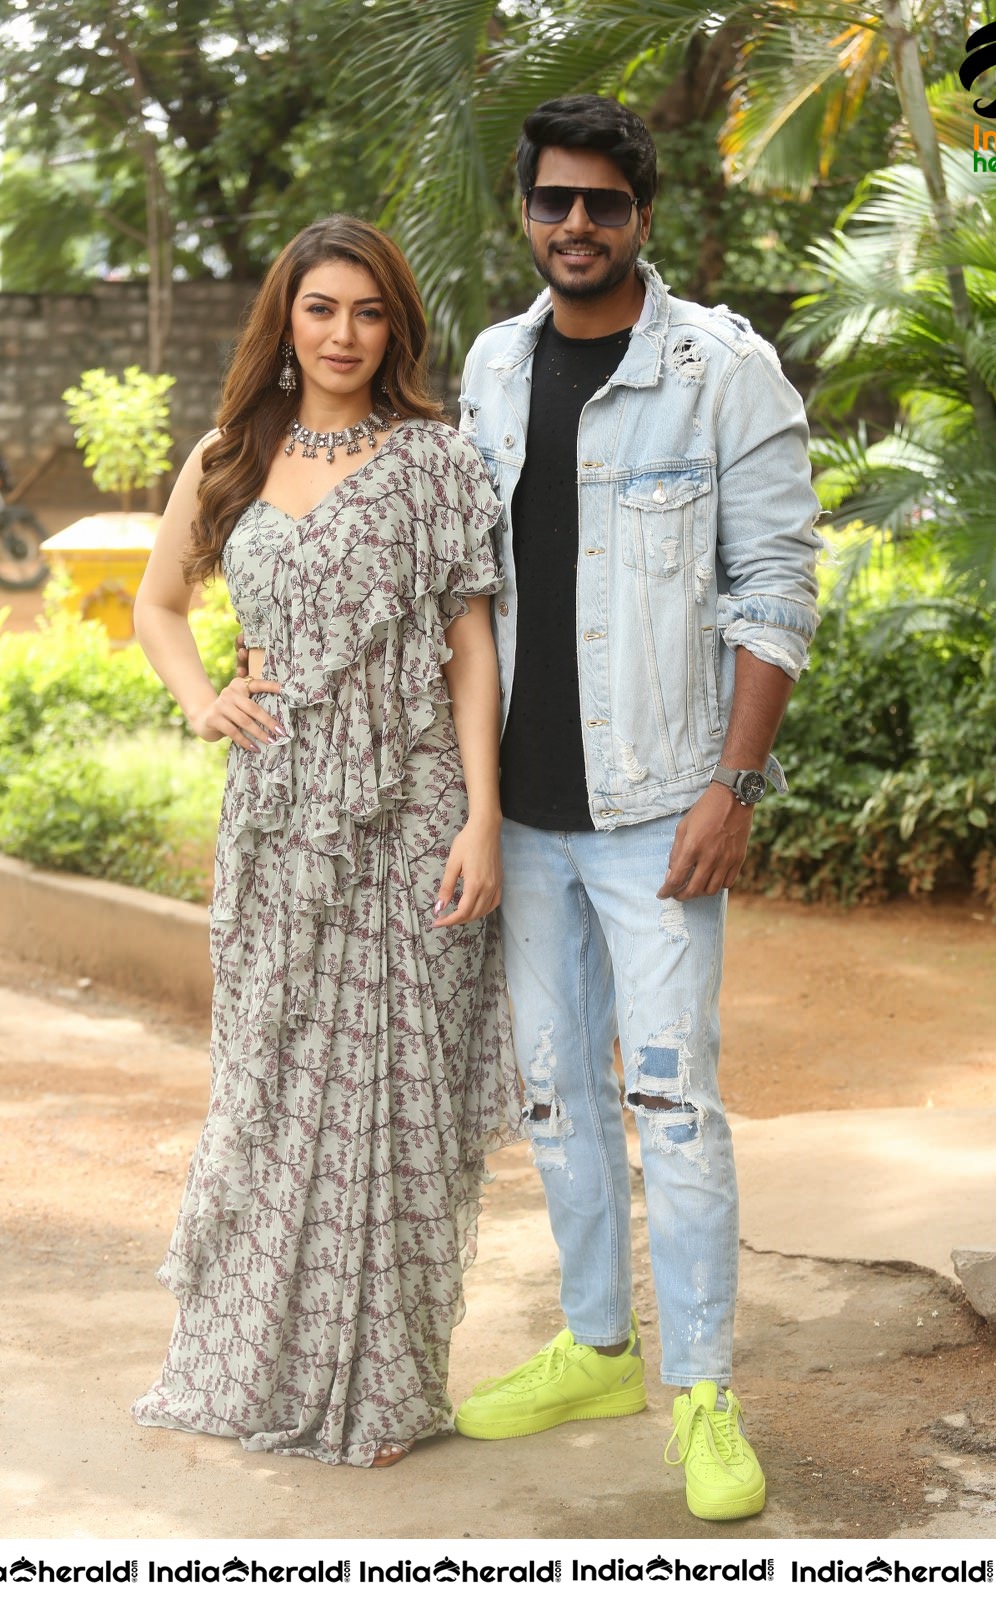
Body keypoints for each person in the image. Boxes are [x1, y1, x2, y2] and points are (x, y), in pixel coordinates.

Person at [450, 96, 822, 1522]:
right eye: (553, 201)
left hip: (660, 809)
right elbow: (458, 590)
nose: (575, 225)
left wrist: (732, 786)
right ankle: (597, 1349)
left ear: (641, 218)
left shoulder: (718, 370)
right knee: (552, 1093)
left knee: (671, 1102)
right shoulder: (492, 366)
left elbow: (774, 588)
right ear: (526, 213)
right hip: (520, 817)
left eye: (602, 203)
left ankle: (704, 1392)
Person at [131, 215, 521, 1469]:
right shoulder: (229, 453)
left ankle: (385, 1386)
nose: (343, 334)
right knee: (273, 1084)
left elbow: (469, 648)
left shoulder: (433, 461)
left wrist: (480, 817)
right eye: (320, 309)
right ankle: (266, 1362)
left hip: (411, 810)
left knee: (397, 1099)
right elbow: (158, 604)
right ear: (285, 321)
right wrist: (204, 700)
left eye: (366, 311)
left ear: (393, 325)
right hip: (280, 813)